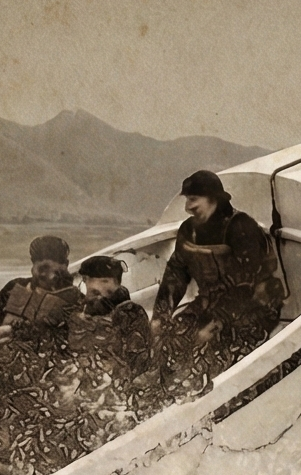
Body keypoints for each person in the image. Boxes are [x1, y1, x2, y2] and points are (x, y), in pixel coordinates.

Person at [155, 169, 286, 390]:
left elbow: (246, 285)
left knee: (214, 350)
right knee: (170, 340)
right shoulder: (188, 230)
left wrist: (213, 326)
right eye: (187, 200)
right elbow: (176, 273)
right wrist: (160, 316)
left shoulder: (241, 227)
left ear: (213, 198)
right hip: (210, 302)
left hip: (255, 306)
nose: (188, 207)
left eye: (194, 199)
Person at [0, 234, 82, 379]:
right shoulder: (16, 286)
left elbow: (49, 331)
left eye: (47, 267)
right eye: (36, 265)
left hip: (38, 374)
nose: (41, 273)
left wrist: (10, 331)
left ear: (65, 265)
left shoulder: (75, 300)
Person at [68, 252, 158, 420]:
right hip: (90, 390)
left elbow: (139, 365)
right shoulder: (83, 310)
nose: (93, 288)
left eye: (104, 282)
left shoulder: (129, 313)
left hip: (119, 396)